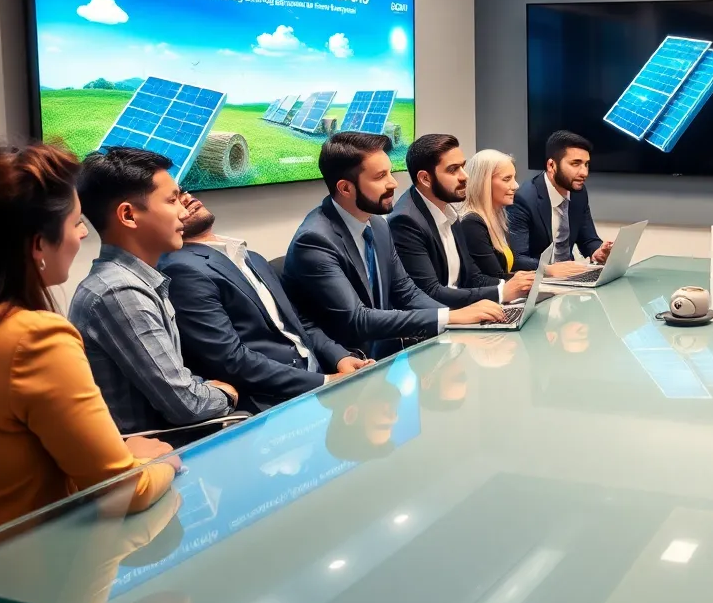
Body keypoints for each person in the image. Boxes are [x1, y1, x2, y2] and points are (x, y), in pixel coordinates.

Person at [0, 141, 177, 531]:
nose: (81, 235)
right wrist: (160, 461)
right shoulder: (35, 339)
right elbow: (124, 491)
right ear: (39, 244)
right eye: (76, 222)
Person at [283, 133, 503, 360]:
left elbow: (406, 292)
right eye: (380, 177)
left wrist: (455, 316)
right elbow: (358, 319)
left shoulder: (377, 224)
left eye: (390, 172)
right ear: (345, 188)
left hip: (387, 357)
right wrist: (450, 318)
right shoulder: (314, 241)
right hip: (346, 366)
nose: (394, 183)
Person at [70, 147, 239, 437]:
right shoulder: (121, 292)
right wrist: (228, 394)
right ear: (128, 215)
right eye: (172, 200)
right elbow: (187, 406)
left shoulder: (137, 281)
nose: (184, 211)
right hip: (159, 458)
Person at [160, 193, 373, 411]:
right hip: (271, 403)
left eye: (183, 191)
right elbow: (231, 359)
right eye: (172, 198)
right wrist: (325, 382)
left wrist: (340, 358)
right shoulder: (182, 269)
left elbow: (297, 322)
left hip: (317, 379)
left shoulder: (250, 256)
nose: (186, 198)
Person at [389, 134, 535, 308]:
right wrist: (502, 292)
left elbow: (471, 277)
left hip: (463, 312)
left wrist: (518, 285)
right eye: (453, 170)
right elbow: (430, 292)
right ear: (425, 179)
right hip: (438, 325)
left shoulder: (450, 211)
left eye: (463, 167)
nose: (465, 176)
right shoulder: (406, 221)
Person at [459, 149, 580, 279]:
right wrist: (546, 272)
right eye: (506, 179)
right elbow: (495, 279)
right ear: (484, 183)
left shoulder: (497, 219)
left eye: (514, 178)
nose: (516, 185)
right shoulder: (472, 223)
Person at [508, 130, 609, 274]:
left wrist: (598, 251)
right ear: (551, 165)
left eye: (586, 164)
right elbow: (518, 259)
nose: (584, 172)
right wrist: (552, 269)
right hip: (538, 281)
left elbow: (588, 240)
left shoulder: (578, 193)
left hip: (570, 278)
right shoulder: (524, 198)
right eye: (576, 164)